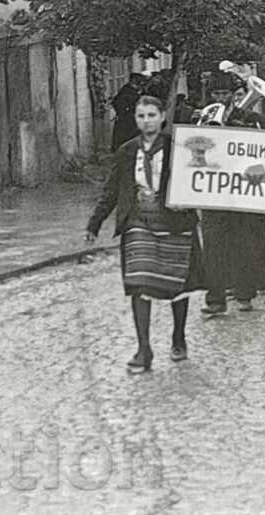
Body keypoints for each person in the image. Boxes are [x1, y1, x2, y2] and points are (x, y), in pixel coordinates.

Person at [87, 95, 204, 372]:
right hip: (139, 222)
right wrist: (94, 223)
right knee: (139, 282)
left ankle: (178, 336)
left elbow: (200, 179)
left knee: (178, 283)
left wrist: (186, 199)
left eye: (151, 115)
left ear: (162, 117)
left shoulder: (179, 147)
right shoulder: (127, 151)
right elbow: (112, 189)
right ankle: (144, 349)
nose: (146, 121)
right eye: (141, 116)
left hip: (174, 222)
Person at [198, 71, 265, 315]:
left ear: (232, 94)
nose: (221, 97)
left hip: (240, 190)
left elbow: (263, 151)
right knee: (213, 246)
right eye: (216, 93)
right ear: (211, 95)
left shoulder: (250, 117)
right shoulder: (202, 117)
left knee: (243, 243)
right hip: (212, 190)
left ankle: (244, 294)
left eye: (225, 93)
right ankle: (216, 299)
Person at [109, 72, 148, 151]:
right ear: (133, 80)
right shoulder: (126, 91)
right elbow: (118, 103)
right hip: (126, 120)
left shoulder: (136, 91)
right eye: (138, 81)